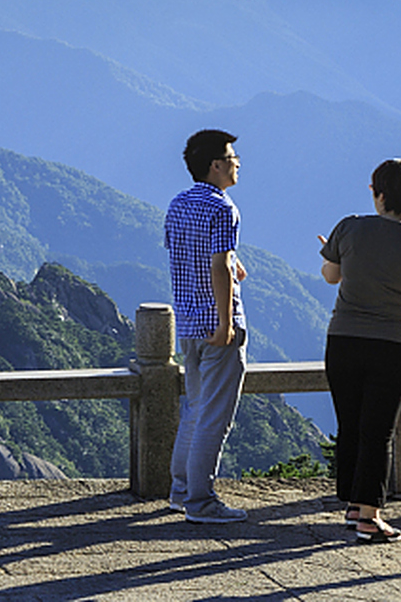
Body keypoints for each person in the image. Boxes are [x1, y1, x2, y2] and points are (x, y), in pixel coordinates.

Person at [317, 158, 401, 544]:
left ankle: (356, 507)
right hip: (393, 344)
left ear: (379, 194)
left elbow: (331, 276)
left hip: (344, 339)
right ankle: (370, 515)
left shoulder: (349, 227)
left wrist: (334, 254)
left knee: (350, 424)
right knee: (379, 431)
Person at [164, 128, 249, 524]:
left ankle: (180, 492)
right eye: (232, 158)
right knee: (214, 416)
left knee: (195, 410)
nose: (237, 164)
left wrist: (234, 266)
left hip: (187, 323)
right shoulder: (223, 208)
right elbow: (217, 264)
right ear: (215, 165)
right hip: (216, 325)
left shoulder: (178, 204)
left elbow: (189, 255)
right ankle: (201, 502)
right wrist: (226, 321)